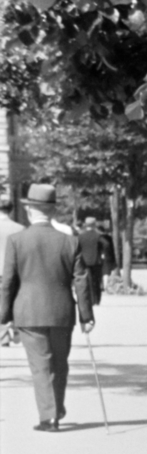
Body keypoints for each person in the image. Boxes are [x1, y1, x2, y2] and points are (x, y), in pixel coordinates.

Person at [0, 184, 94, 431]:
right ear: (52, 211)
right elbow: (82, 280)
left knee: (41, 365)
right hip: (63, 312)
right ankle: (55, 408)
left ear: (30, 210)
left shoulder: (16, 241)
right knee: (60, 364)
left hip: (28, 312)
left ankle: (49, 416)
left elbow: (8, 282)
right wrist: (87, 316)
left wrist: (4, 316)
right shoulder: (70, 242)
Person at [77, 216, 110, 304]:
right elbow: (106, 244)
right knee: (97, 281)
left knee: (87, 281)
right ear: (94, 225)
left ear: (85, 224)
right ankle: (96, 300)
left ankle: (89, 299)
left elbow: (77, 246)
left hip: (84, 261)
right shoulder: (98, 235)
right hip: (96, 261)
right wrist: (101, 252)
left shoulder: (81, 236)